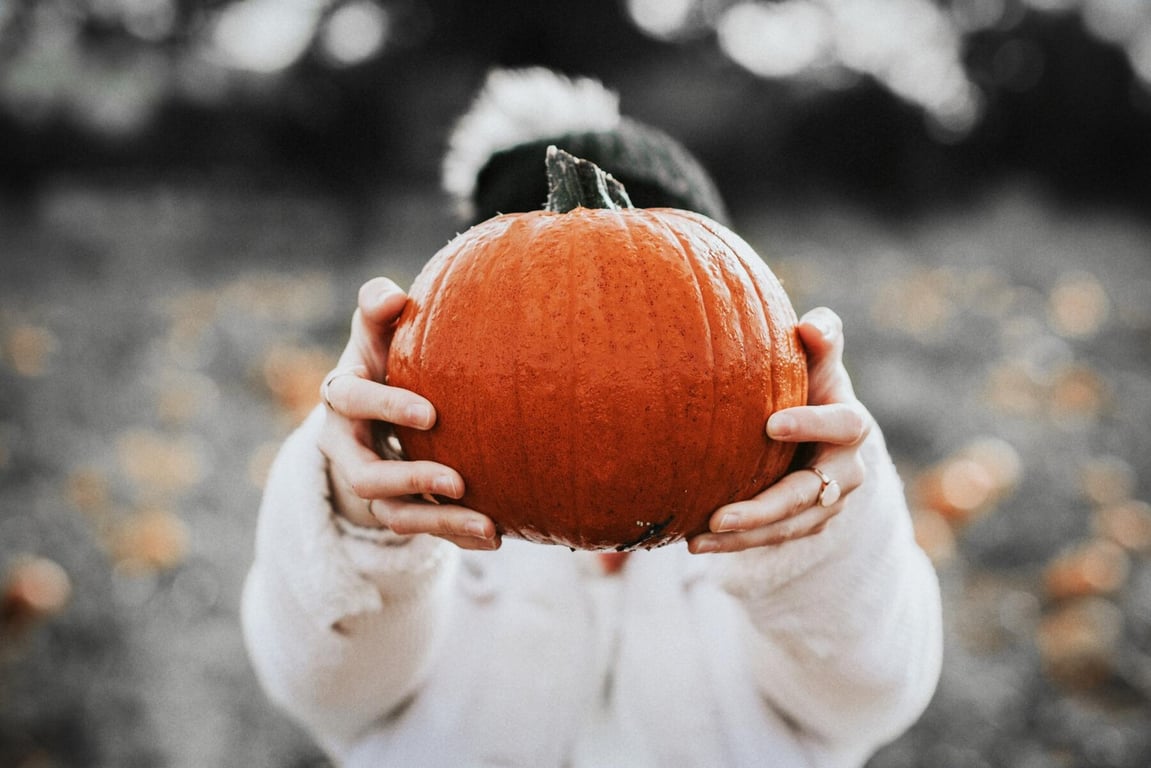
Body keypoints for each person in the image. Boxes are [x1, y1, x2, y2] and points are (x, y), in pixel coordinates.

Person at [241, 69, 942, 768]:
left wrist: (827, 534)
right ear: (449, 336)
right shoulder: (427, 503)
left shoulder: (764, 508)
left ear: (746, 332)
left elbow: (873, 696)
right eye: (543, 333)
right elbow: (323, 694)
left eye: (663, 329)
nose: (601, 377)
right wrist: (350, 515)